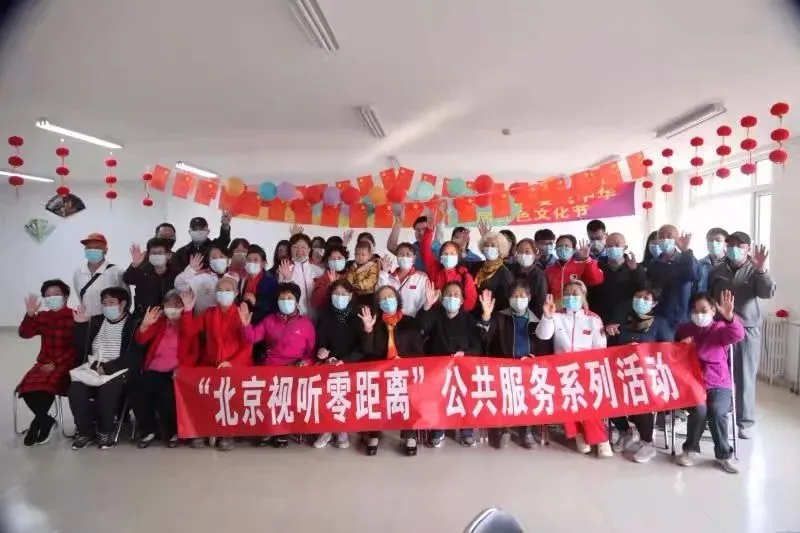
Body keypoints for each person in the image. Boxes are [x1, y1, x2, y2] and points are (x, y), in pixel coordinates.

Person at [708, 232, 776, 439]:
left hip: (746, 328)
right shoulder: (718, 269)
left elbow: (767, 292)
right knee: (720, 373)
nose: (734, 248)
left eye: (740, 245)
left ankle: (745, 422)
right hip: (721, 328)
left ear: (748, 248)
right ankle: (722, 411)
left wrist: (761, 270)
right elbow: (710, 296)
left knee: (745, 376)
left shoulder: (755, 269)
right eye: (731, 244)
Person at [535, 282, 612, 457]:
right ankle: (579, 434)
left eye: (575, 293)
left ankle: (601, 439)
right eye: (567, 293)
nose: (571, 297)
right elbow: (543, 335)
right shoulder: (557, 315)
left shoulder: (593, 319)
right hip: (561, 369)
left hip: (586, 369)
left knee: (587, 397)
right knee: (567, 395)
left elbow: (600, 348)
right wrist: (547, 316)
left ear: (583, 296)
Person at [674, 290, 745, 474]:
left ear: (713, 310)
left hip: (718, 381)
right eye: (695, 311)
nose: (699, 314)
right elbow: (671, 350)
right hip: (692, 381)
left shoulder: (720, 329)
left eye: (704, 310)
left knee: (717, 410)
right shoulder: (684, 329)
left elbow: (738, 335)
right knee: (699, 410)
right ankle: (690, 449)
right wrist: (680, 345)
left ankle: (724, 455)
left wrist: (730, 318)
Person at [180, 276, 251, 451]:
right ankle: (202, 429)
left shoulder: (240, 313)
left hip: (234, 365)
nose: (223, 293)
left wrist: (232, 363)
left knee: (229, 394)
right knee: (201, 391)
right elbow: (189, 331)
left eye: (228, 290)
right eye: (220, 290)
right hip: (210, 363)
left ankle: (227, 433)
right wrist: (188, 310)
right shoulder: (209, 313)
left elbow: (247, 346)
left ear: (235, 293)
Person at [240, 282, 315, 448]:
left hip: (295, 369)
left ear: (296, 301)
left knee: (288, 399)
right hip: (271, 367)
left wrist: (306, 362)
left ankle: (283, 431)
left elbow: (311, 352)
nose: (286, 301)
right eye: (282, 298)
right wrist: (246, 326)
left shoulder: (306, 324)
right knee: (267, 399)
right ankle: (268, 430)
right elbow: (252, 338)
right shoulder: (269, 320)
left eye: (289, 298)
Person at [69, 287, 143, 451]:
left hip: (119, 370)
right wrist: (80, 326)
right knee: (76, 390)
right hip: (93, 368)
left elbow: (134, 355)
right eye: (104, 303)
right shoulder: (96, 321)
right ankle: (85, 432)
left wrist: (108, 368)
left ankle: (105, 431)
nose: (107, 306)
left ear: (123, 304)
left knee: (108, 391)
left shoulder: (133, 324)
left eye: (111, 303)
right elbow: (81, 348)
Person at [605, 287, 673, 462]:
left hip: (647, 376)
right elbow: (609, 347)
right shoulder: (623, 321)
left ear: (654, 303)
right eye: (638, 296)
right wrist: (608, 331)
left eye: (646, 298)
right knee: (607, 394)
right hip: (621, 372)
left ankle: (647, 442)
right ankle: (624, 431)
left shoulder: (660, 324)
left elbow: (669, 351)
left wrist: (645, 352)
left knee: (642, 396)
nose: (640, 300)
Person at [479, 282, 550, 449]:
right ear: (509, 298)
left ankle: (526, 430)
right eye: (515, 296)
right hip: (503, 368)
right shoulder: (500, 317)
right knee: (504, 395)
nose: (518, 299)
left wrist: (533, 358)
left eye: (522, 296)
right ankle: (503, 429)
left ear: (529, 297)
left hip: (527, 368)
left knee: (528, 395)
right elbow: (485, 337)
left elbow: (543, 344)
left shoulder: (536, 320)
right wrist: (486, 317)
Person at [359, 286, 424, 456]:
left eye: (390, 296)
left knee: (409, 396)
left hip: (405, 372)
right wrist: (368, 330)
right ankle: (375, 433)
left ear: (397, 299)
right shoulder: (374, 322)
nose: (387, 300)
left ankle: (409, 434)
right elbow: (367, 351)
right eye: (382, 298)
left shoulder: (410, 322)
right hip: (381, 373)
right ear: (378, 303)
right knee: (375, 396)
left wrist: (404, 361)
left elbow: (419, 351)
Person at [416, 281, 483, 448]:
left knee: (466, 392)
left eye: (456, 295)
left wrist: (464, 354)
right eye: (448, 294)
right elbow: (421, 327)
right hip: (437, 368)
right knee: (437, 395)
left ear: (461, 301)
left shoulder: (469, 320)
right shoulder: (435, 315)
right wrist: (427, 306)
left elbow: (477, 347)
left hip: (462, 368)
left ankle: (467, 430)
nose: (452, 298)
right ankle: (438, 429)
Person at [132, 291, 196, 448]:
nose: (172, 307)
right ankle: (148, 430)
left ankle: (172, 433)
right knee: (138, 393)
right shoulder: (159, 322)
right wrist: (144, 325)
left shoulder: (189, 322)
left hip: (175, 371)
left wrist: (187, 312)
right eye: (169, 304)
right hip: (153, 368)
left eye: (177, 304)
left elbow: (191, 340)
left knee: (165, 396)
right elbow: (141, 340)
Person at [16, 280, 76, 447]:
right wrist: (30, 315)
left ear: (65, 296)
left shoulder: (74, 316)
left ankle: (37, 423)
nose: (52, 298)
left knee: (45, 387)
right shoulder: (43, 316)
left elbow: (77, 348)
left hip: (66, 363)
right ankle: (45, 420)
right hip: (44, 362)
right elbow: (25, 334)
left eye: (56, 294)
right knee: (27, 388)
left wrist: (56, 363)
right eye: (48, 295)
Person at [312, 279, 365, 449]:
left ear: (350, 295)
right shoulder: (325, 315)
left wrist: (345, 361)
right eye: (336, 294)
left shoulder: (359, 315)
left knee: (343, 387)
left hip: (353, 362)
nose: (339, 297)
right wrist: (323, 353)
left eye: (343, 294)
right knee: (324, 387)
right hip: (331, 362)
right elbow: (321, 344)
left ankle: (342, 430)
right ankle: (326, 429)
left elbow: (363, 347)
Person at [645, 225, 698, 336]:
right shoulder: (654, 263)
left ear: (676, 239)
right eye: (661, 236)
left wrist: (685, 250)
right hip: (657, 315)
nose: (665, 239)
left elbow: (692, 275)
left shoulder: (685, 260)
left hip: (679, 317)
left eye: (669, 236)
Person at [587, 232, 646, 326]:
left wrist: (635, 271)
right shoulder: (597, 266)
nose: (613, 248)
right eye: (610, 246)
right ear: (605, 247)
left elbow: (644, 290)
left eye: (617, 245)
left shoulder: (635, 267)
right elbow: (590, 293)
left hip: (627, 319)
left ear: (625, 248)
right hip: (601, 319)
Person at [420, 226, 478, 312]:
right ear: (441, 257)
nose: (448, 256)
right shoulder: (434, 269)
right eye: (445, 253)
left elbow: (470, 302)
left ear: (458, 258)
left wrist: (454, 308)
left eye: (452, 253)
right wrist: (429, 230)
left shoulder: (465, 276)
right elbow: (424, 251)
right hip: (435, 314)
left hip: (457, 316)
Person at [73, 233, 127, 317]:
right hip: (86, 320)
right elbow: (80, 299)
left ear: (105, 250)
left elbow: (126, 299)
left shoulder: (117, 272)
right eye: (89, 247)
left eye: (97, 247)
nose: (92, 250)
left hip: (109, 321)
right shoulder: (78, 272)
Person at [544, 234, 604, 307]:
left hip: (578, 309)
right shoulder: (549, 270)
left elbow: (596, 280)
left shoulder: (582, 266)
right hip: (556, 309)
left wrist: (587, 259)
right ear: (555, 249)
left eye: (567, 246)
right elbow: (546, 293)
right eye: (560, 246)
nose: (563, 248)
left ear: (574, 249)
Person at [124, 238, 178, 314]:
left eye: (160, 253)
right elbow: (127, 279)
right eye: (153, 253)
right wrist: (135, 264)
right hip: (143, 316)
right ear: (148, 255)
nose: (157, 255)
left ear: (169, 255)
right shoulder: (142, 272)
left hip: (168, 316)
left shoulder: (176, 275)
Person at [277, 233, 325, 318]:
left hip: (317, 316)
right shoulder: (285, 269)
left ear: (309, 249)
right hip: (296, 317)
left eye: (303, 247)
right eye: (295, 247)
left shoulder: (319, 271)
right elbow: (282, 296)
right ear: (290, 250)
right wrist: (287, 279)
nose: (299, 250)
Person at [174, 247, 234, 314]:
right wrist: (191, 271)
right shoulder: (202, 277)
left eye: (221, 256)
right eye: (214, 257)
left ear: (228, 260)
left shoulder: (234, 278)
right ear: (209, 261)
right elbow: (179, 285)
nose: (218, 259)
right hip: (201, 318)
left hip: (227, 318)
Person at [377, 243, 429, 317]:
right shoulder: (388, 278)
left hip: (413, 320)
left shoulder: (421, 278)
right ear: (397, 257)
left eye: (408, 254)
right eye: (401, 254)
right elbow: (380, 294)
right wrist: (384, 272)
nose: (404, 257)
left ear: (414, 258)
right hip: (392, 319)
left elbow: (424, 302)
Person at [474, 232, 515, 312]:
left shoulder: (504, 272)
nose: (489, 248)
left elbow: (507, 301)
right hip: (475, 313)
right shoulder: (478, 267)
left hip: (494, 314)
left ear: (500, 249)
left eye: (493, 245)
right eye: (486, 245)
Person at [506, 238, 547, 317]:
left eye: (527, 251)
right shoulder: (510, 271)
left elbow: (540, 302)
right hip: (510, 315)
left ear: (534, 254)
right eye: (520, 251)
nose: (523, 254)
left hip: (531, 317)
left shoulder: (539, 275)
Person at [310, 244, 349, 309]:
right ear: (328, 261)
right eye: (332, 259)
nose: (336, 260)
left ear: (345, 259)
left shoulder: (351, 275)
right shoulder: (323, 278)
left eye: (339, 258)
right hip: (330, 312)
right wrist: (330, 286)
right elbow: (315, 303)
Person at [344, 241, 381, 307]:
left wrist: (360, 285)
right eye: (357, 254)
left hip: (369, 294)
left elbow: (371, 279)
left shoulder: (372, 266)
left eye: (363, 255)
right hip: (356, 293)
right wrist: (349, 285)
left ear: (369, 256)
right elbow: (350, 277)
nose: (360, 257)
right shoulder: (353, 266)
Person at [697, 228, 728, 293]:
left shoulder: (732, 264)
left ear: (726, 243)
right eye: (710, 240)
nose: (713, 243)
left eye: (718, 240)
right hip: (704, 298)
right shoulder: (699, 264)